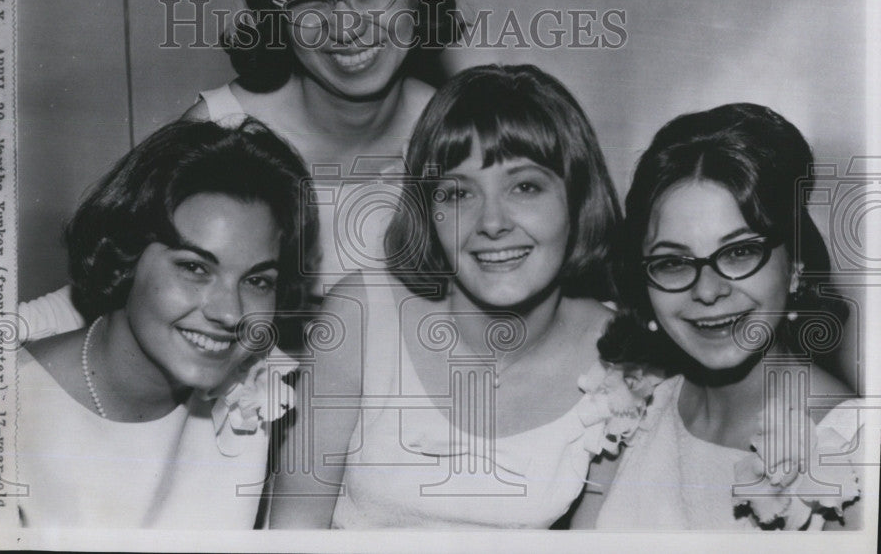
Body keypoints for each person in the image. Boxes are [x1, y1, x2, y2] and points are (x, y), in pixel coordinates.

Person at [20, 0, 465, 337]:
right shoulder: (221, 128)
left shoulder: (458, 130)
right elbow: (110, 287)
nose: (346, 26)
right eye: (307, 1)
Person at [269, 64, 656, 529]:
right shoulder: (360, 314)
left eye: (525, 186)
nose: (492, 222)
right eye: (457, 194)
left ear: (577, 199)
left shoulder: (624, 355)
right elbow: (293, 530)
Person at [16, 119, 319, 528]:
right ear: (124, 256)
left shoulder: (252, 395)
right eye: (195, 268)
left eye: (257, 280)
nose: (230, 313)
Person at [592, 103, 863, 530]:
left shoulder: (851, 448)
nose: (707, 291)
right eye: (673, 262)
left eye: (739, 252)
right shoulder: (634, 410)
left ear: (795, 266)